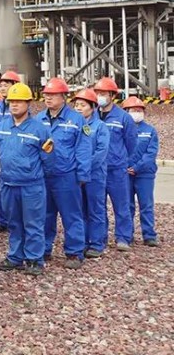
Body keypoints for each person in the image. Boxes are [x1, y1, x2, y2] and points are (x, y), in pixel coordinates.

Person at [0, 83, 53, 275]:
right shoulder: (2, 126)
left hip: (31, 186)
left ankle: (34, 259)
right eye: (11, 101)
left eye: (19, 101)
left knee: (33, 223)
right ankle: (15, 257)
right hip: (8, 184)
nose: (14, 105)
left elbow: (48, 158)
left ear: (28, 103)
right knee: (14, 223)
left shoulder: (39, 129)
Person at [36, 77, 88, 269]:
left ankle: (74, 252)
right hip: (43, 175)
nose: (48, 98)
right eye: (46, 95)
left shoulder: (76, 120)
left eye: (53, 95)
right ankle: (43, 249)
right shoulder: (38, 119)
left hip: (66, 175)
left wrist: (82, 175)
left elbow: (83, 148)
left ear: (63, 96)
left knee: (71, 215)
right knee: (44, 215)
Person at [94, 77, 137, 251]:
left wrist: (124, 161)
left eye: (103, 93)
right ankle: (100, 238)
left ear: (112, 95)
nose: (99, 96)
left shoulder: (123, 118)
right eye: (97, 93)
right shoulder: (92, 115)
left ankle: (123, 238)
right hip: (97, 169)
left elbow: (131, 143)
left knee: (121, 205)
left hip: (116, 169)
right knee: (98, 207)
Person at [71, 88, 111, 257]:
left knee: (95, 209)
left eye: (83, 105)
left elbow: (101, 152)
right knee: (80, 210)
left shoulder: (100, 127)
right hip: (77, 175)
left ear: (93, 107)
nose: (79, 108)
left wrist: (84, 166)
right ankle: (84, 241)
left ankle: (96, 243)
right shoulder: (73, 125)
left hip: (95, 175)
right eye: (76, 105)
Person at [122, 97, 159, 247]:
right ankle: (127, 235)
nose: (137, 113)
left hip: (145, 174)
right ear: (126, 112)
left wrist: (136, 167)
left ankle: (149, 235)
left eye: (139, 110)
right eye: (133, 110)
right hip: (125, 173)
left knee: (146, 205)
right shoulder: (122, 130)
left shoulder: (150, 131)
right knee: (127, 206)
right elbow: (118, 150)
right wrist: (125, 167)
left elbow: (151, 153)